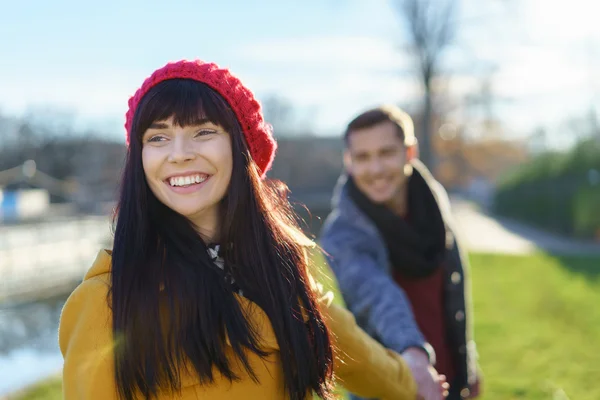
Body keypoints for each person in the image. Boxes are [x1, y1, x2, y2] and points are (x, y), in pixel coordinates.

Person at [57, 60, 428, 400]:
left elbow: (357, 355)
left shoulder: (279, 270)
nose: (179, 153)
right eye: (157, 137)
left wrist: (414, 379)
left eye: (203, 131)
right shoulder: (104, 304)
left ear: (241, 149)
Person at [319, 105, 482, 400]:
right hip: (396, 384)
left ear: (409, 153)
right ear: (349, 162)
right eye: (363, 157)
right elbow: (376, 296)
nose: (376, 169)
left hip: (451, 379)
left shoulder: (434, 205)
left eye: (386, 153)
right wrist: (414, 356)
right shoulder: (342, 233)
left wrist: (468, 364)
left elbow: (453, 291)